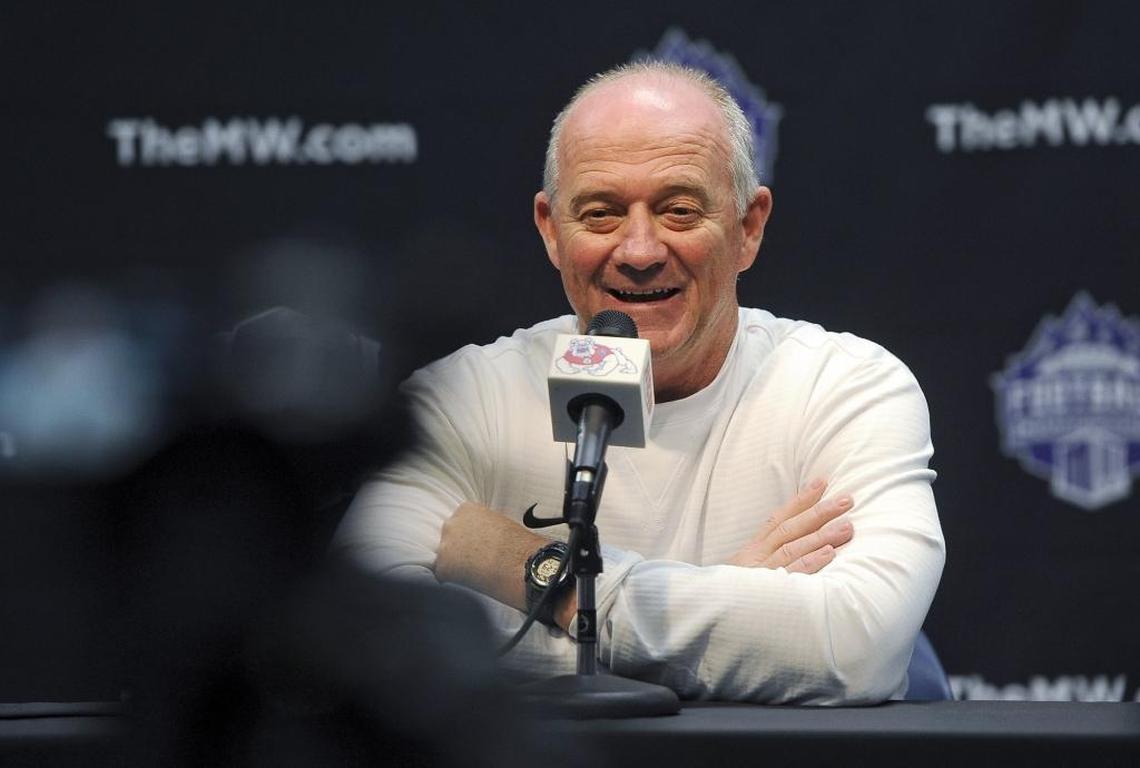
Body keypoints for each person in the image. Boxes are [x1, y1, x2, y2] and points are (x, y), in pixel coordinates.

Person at [335, 61, 944, 704]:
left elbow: (855, 650)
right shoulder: (460, 401)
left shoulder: (846, 387)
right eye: (600, 214)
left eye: (679, 210)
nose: (639, 249)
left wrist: (535, 572)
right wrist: (727, 612)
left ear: (748, 227)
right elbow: (365, 633)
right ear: (551, 230)